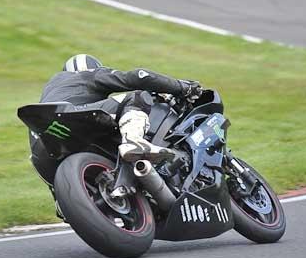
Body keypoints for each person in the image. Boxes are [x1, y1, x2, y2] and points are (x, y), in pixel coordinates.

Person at [30, 54, 201, 189]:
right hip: (74, 118)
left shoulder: (51, 90)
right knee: (137, 97)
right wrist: (182, 87)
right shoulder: (87, 74)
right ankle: (134, 141)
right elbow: (140, 76)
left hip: (43, 152)